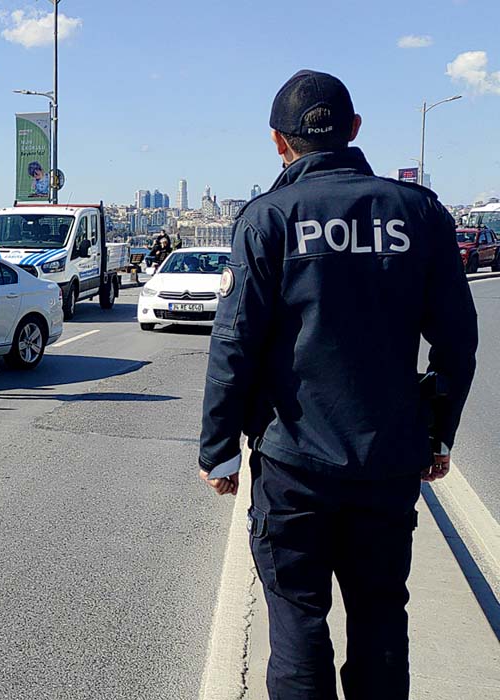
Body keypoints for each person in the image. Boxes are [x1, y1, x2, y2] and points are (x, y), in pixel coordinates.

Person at [198, 70, 478, 699]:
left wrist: (217, 446)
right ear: (354, 130)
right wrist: (437, 431)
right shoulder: (420, 212)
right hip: (389, 460)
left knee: (298, 624)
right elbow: (459, 341)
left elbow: (235, 341)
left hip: (295, 462)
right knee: (381, 618)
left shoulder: (268, 217)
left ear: (279, 142)